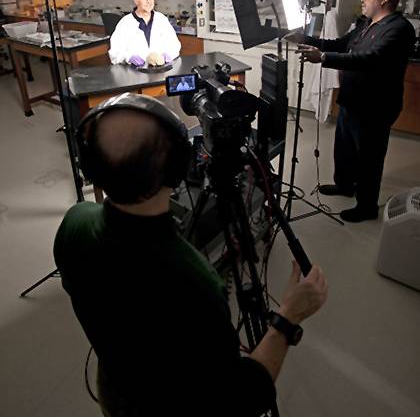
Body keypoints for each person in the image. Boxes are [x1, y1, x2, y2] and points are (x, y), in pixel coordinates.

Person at [54, 94, 327, 417]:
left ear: (90, 165)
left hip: (117, 389)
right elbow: (240, 399)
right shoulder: (194, 280)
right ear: (176, 170)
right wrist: (287, 318)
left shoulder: (74, 221)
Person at [288, 0, 415, 223]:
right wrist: (304, 38)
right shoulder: (366, 24)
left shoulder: (399, 29)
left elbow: (371, 58)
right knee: (344, 148)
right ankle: (345, 185)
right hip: (352, 100)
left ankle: (367, 206)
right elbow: (341, 45)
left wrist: (323, 57)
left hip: (375, 107)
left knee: (369, 157)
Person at [108, 0, 181, 66]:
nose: (149, 1)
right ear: (136, 0)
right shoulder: (125, 23)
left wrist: (168, 55)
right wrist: (128, 57)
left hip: (160, 71)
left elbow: (175, 45)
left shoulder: (161, 20)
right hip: (135, 74)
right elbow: (115, 52)